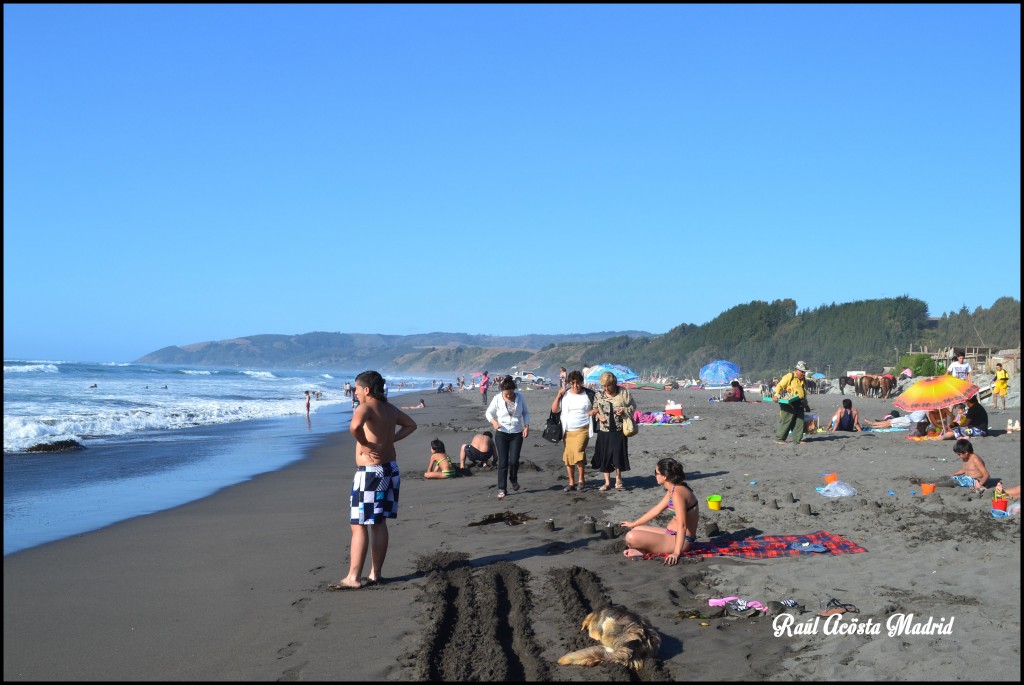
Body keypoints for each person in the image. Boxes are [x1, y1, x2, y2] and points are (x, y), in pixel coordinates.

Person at [330, 370, 417, 591]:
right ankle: (375, 573)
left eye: (357, 389)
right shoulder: (389, 409)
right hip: (390, 468)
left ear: (366, 389)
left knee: (358, 524)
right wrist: (391, 440)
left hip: (371, 473)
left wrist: (366, 444)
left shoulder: (366, 407)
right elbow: (411, 425)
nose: (355, 393)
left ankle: (353, 577)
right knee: (378, 523)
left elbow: (354, 427)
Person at [619, 458, 699, 566]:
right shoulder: (674, 489)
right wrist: (633, 523)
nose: (655, 476)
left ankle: (644, 551)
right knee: (636, 529)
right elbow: (657, 510)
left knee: (631, 537)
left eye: (656, 473)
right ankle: (644, 550)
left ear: (664, 476)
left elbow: (682, 525)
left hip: (682, 540)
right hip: (670, 534)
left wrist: (676, 553)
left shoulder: (677, 494)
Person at [551, 370, 597, 492]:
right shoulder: (565, 394)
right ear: (569, 383)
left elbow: (599, 407)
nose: (575, 386)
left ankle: (581, 479)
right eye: (572, 383)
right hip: (567, 430)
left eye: (577, 383)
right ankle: (571, 482)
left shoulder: (589, 394)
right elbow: (555, 410)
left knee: (577, 452)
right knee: (568, 456)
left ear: (582, 382)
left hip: (583, 429)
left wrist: (594, 411)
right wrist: (558, 395)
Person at [485, 376, 530, 499]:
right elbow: (488, 413)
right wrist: (494, 422)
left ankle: (513, 478)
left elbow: (525, 412)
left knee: (514, 460)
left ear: (514, 390)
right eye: (506, 393)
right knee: (503, 462)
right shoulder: (497, 398)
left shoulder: (520, 397)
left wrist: (526, 426)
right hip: (502, 433)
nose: (509, 396)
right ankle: (502, 488)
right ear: (502, 391)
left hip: (516, 433)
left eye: (511, 393)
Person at [591, 371, 636, 491]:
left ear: (614, 383)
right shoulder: (599, 394)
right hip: (604, 430)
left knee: (618, 455)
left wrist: (624, 409)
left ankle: (618, 479)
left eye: (608, 386)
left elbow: (633, 407)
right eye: (603, 386)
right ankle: (606, 482)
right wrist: (598, 416)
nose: (605, 388)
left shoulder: (623, 393)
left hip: (619, 429)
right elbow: (595, 409)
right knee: (605, 456)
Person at [772, 361, 810, 445]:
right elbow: (780, 386)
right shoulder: (790, 376)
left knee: (799, 422)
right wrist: (776, 395)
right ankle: (780, 438)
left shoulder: (803, 380)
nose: (803, 374)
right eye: (802, 372)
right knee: (786, 421)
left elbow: (804, 392)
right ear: (796, 370)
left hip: (799, 403)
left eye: (804, 372)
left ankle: (798, 439)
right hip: (789, 403)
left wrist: (806, 405)